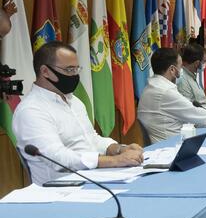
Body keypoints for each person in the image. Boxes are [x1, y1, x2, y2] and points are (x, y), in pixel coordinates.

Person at [13, 42, 143, 186]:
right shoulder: (31, 110)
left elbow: (91, 139)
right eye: (69, 70)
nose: (75, 75)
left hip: (96, 179)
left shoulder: (73, 101)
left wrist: (119, 149)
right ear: (45, 71)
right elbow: (57, 158)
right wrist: (114, 161)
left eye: (77, 69)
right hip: (62, 189)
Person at [138, 47, 206, 143]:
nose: (182, 69)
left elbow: (189, 111)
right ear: (172, 69)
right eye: (180, 66)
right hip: (172, 147)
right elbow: (195, 114)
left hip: (167, 143)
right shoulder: (165, 91)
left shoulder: (151, 87)